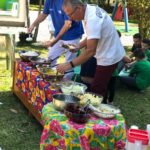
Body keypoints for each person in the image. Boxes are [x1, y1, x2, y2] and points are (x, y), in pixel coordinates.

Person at [57, 0, 125, 98]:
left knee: (96, 89)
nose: (70, 18)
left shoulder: (93, 19)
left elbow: (90, 51)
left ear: (79, 8)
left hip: (109, 56)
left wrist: (69, 65)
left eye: (70, 14)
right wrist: (78, 46)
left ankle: (99, 109)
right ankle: (101, 100)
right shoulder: (89, 9)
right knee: (97, 83)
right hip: (107, 51)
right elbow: (92, 35)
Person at [28, 0, 84, 79]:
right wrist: (33, 24)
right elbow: (44, 14)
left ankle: (66, 85)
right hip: (58, 34)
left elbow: (68, 24)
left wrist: (54, 41)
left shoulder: (66, 2)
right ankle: (51, 78)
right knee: (51, 57)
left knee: (69, 62)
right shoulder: (49, 1)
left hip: (72, 35)